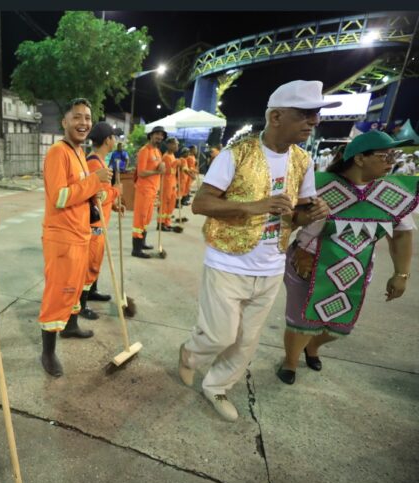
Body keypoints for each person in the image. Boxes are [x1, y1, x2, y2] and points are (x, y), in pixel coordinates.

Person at [176, 80, 334, 421]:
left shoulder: (303, 161)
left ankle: (217, 387)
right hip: (228, 261)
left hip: (272, 265)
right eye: (305, 114)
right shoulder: (237, 154)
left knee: (246, 341)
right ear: (276, 116)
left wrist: (311, 214)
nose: (314, 121)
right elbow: (200, 203)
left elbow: (296, 215)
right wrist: (254, 206)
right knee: (219, 335)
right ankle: (190, 353)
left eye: (316, 115)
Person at [277, 131, 416, 384]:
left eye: (393, 156)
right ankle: (290, 362)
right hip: (308, 262)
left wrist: (401, 273)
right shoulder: (318, 184)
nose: (391, 162)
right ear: (360, 159)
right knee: (302, 321)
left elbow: (401, 236)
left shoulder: (392, 193)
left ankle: (312, 347)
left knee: (340, 325)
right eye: (385, 156)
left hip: (355, 269)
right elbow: (289, 221)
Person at [38, 98, 112, 377]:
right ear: (65, 121)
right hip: (62, 238)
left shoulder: (78, 152)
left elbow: (79, 190)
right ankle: (47, 352)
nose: (84, 123)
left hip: (80, 234)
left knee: (75, 289)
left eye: (87, 118)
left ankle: (70, 326)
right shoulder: (58, 152)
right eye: (77, 117)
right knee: (57, 294)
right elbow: (60, 197)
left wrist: (96, 193)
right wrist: (94, 181)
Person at [80, 122, 124, 320]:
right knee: (90, 263)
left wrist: (113, 205)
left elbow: (102, 196)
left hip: (102, 221)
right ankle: (81, 305)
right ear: (107, 140)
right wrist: (116, 192)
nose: (115, 141)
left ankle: (92, 291)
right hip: (94, 225)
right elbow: (96, 196)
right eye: (114, 137)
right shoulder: (94, 164)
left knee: (96, 260)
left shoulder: (101, 162)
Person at [131, 126, 167, 258]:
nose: (160, 137)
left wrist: (162, 167)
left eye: (161, 135)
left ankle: (142, 243)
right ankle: (136, 249)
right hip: (144, 190)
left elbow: (160, 168)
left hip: (153, 190)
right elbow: (141, 172)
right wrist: (157, 171)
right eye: (157, 134)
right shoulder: (144, 151)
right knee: (140, 218)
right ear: (151, 135)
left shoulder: (157, 151)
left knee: (147, 218)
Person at [157, 137, 181, 232]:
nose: (177, 146)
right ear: (169, 145)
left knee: (171, 203)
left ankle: (167, 222)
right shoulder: (166, 157)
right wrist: (176, 163)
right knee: (164, 203)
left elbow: (174, 171)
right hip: (166, 183)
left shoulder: (172, 155)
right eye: (175, 144)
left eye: (177, 144)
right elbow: (167, 171)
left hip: (172, 183)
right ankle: (161, 223)